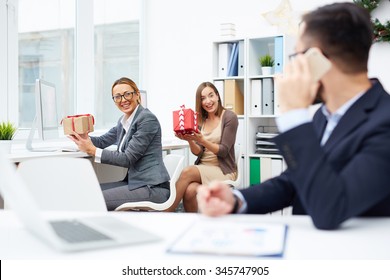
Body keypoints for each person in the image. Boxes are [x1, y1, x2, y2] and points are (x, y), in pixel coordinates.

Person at [197, 2, 390, 230]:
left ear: (315, 58)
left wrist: (294, 114)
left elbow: (331, 208)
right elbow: (292, 181)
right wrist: (236, 199)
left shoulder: (384, 121)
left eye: (296, 56)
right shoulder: (323, 115)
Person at [69, 77, 170, 211]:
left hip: (152, 187)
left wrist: (92, 150)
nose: (123, 100)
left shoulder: (146, 119)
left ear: (137, 94)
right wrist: (81, 137)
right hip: (135, 183)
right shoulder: (124, 121)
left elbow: (128, 158)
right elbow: (102, 141)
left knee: (92, 198)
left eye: (127, 94)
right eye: (117, 97)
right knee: (88, 192)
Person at [167, 81, 239, 212]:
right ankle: (193, 226)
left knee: (187, 171)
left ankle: (167, 212)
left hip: (223, 170)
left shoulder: (230, 117)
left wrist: (203, 140)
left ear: (217, 96)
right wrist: (190, 140)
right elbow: (199, 152)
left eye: (211, 95)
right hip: (204, 168)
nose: (208, 101)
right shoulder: (200, 120)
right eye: (203, 98)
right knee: (189, 191)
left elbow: (223, 151)